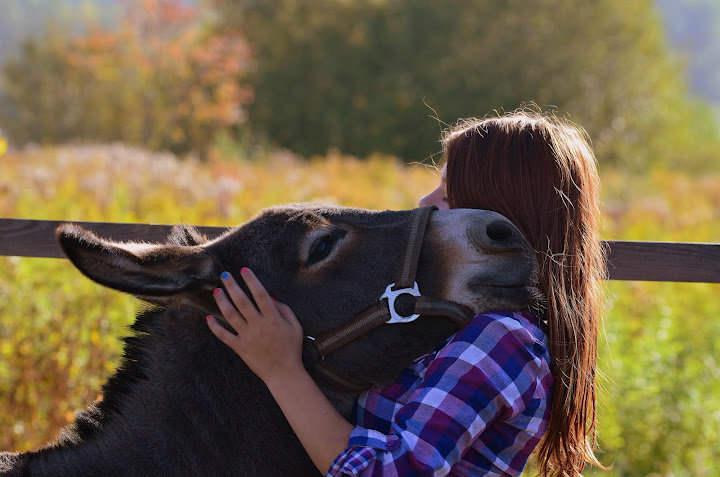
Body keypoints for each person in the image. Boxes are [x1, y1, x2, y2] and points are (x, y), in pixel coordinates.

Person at [206, 110, 606, 477]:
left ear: (494, 216)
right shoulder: (457, 317)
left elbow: (389, 471)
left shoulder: (500, 337)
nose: (425, 203)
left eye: (448, 195)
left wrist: (281, 371)